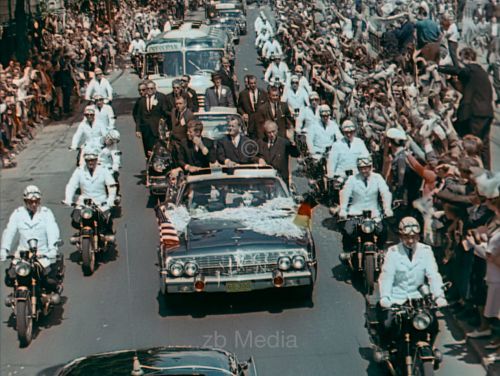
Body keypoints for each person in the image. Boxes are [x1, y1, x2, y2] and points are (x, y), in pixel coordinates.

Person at [377, 217, 447, 346]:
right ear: (400, 236)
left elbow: (433, 275)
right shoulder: (392, 252)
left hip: (418, 300)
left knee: (433, 325)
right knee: (386, 326)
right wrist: (385, 297)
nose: (410, 240)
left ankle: (429, 348)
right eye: (406, 237)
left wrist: (438, 296)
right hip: (397, 299)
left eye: (414, 237)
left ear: (418, 236)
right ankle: (385, 352)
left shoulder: (426, 251)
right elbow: (387, 277)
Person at [1, 185, 63, 295]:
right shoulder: (18, 213)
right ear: (25, 201)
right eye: (30, 201)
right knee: (10, 278)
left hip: (42, 254)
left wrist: (53, 248)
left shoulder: (46, 213)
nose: (34, 204)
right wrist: (4, 249)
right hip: (23, 255)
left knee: (49, 281)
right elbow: (9, 231)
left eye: (36, 201)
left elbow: (52, 230)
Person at [438, 48, 494, 168]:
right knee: (483, 145)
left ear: (467, 58)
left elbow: (459, 71)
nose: (461, 63)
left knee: (472, 144)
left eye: (461, 59)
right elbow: (464, 88)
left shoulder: (472, 69)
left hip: (476, 113)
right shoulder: (479, 73)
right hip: (486, 113)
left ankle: (472, 171)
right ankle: (486, 171)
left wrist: (439, 68)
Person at [63, 146, 117, 238]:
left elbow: (111, 185)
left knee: (107, 221)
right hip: (84, 202)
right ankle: (81, 235)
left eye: (93, 160)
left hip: (100, 201)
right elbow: (72, 185)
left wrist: (111, 199)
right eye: (88, 160)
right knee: (75, 220)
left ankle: (106, 238)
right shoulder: (79, 171)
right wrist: (68, 199)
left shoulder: (103, 170)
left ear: (96, 159)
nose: (90, 162)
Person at [256, 120, 299, 186]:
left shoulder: (284, 143)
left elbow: (296, 154)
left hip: (280, 179)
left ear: (277, 130)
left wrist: (292, 141)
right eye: (269, 133)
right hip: (265, 178)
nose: (272, 135)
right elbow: (252, 156)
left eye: (273, 131)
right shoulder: (260, 143)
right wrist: (259, 159)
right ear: (265, 132)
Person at [135, 81, 169, 158]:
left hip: (157, 130)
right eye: (147, 88)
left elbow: (165, 112)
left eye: (151, 88)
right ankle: (149, 167)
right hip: (146, 130)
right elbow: (139, 116)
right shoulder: (142, 100)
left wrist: (165, 127)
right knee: (148, 151)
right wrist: (138, 129)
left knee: (158, 150)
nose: (149, 90)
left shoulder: (161, 97)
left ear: (155, 88)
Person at [238, 75, 269, 139]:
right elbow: (239, 107)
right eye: (251, 83)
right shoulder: (243, 94)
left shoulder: (263, 93)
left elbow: (267, 106)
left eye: (254, 83)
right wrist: (243, 114)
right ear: (248, 84)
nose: (253, 85)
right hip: (250, 123)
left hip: (261, 123)